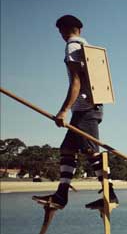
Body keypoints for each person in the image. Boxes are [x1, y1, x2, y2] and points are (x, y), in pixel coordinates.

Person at [33, 15, 117, 210]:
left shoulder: (72, 47)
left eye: (60, 30)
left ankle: (110, 194)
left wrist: (63, 111)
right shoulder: (88, 47)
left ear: (65, 29)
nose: (60, 34)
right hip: (91, 108)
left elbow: (76, 82)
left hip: (85, 110)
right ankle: (61, 195)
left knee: (91, 151)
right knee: (68, 149)